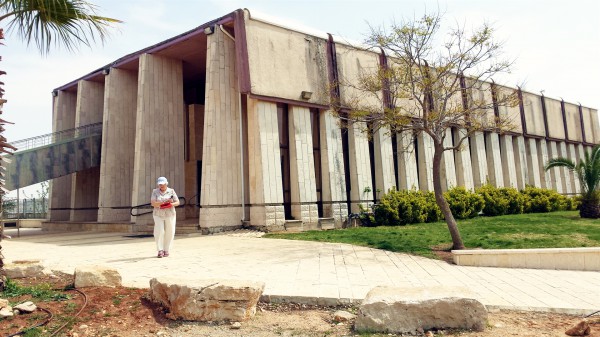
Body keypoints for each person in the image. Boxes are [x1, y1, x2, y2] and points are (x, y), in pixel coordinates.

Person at [150, 176, 180, 258]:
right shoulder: (155, 191)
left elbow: (177, 202)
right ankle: (160, 250)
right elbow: (153, 203)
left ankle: (166, 249)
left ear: (166, 183)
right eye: (160, 184)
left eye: (163, 184)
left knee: (170, 231)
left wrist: (170, 204)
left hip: (169, 213)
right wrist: (163, 203)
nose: (161, 186)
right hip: (158, 214)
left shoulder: (171, 191)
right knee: (159, 231)